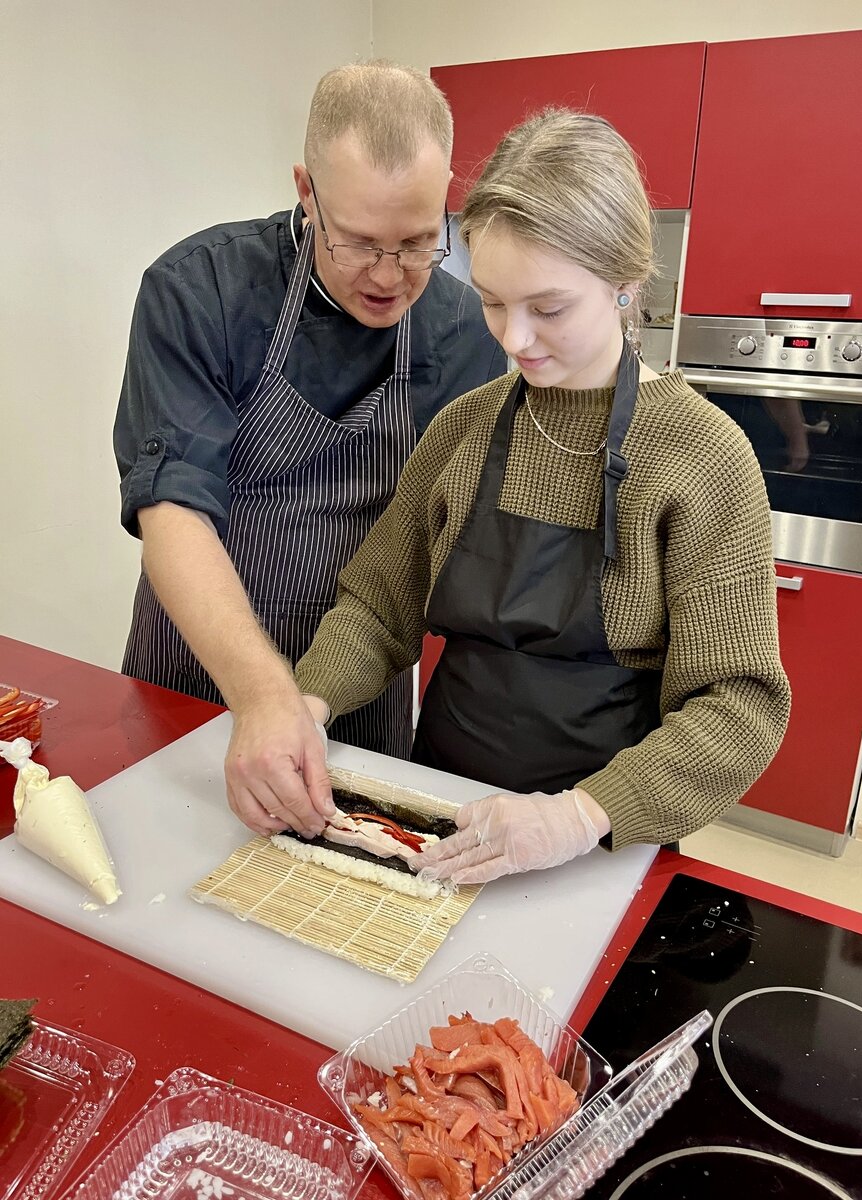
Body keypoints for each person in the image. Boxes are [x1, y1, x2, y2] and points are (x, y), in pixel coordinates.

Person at [295, 108, 792, 882]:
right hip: (446, 816)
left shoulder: (703, 456)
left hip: (600, 845)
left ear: (625, 285)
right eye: (493, 301)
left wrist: (578, 815)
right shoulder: (464, 429)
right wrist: (306, 706)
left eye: (548, 308)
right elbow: (378, 605)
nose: (513, 339)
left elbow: (739, 704)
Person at [114, 62, 506, 838]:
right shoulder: (201, 291)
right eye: (359, 243)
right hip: (195, 676)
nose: (390, 278)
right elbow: (172, 513)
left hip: (359, 696)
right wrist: (263, 697)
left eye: (419, 243)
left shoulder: (466, 332)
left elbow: (450, 543)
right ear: (306, 190)